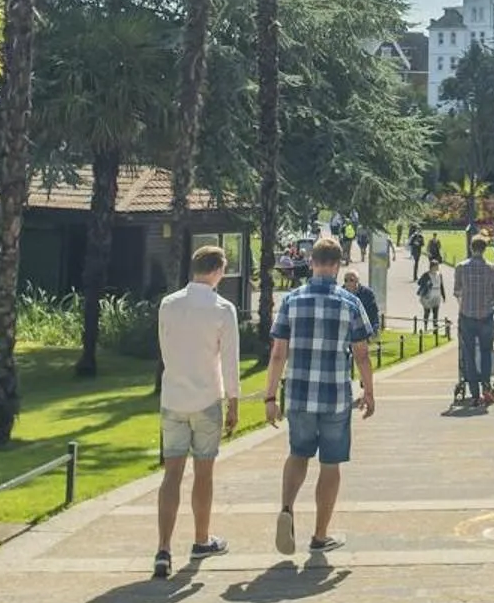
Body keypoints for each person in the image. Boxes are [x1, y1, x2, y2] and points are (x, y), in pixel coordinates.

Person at [265, 237, 376, 557]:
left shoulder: (291, 300)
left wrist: (270, 397)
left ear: (311, 263)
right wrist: (368, 391)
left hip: (298, 394)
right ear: (338, 265)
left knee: (298, 453)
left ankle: (287, 507)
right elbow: (362, 354)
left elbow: (277, 354)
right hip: (335, 396)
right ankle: (320, 534)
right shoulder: (350, 303)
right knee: (331, 464)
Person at [152, 245, 242, 580]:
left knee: (171, 474)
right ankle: (201, 539)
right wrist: (234, 401)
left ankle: (163, 548)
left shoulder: (169, 304)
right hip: (205, 397)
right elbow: (230, 359)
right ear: (218, 270)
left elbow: (164, 347)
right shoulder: (222, 309)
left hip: (173, 396)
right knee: (203, 473)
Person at [454, 236, 494, 406]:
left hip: (467, 315)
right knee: (486, 352)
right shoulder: (492, 269)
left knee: (468, 353)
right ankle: (486, 385)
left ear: (471, 247)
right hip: (486, 315)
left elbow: (457, 291)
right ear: (484, 249)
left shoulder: (461, 267)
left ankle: (474, 392)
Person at [341, 269, 381, 335]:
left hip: (363, 329)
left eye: (351, 280)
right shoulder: (340, 293)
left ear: (357, 281)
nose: (348, 283)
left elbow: (373, 312)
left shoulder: (367, 293)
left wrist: (374, 328)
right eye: (346, 280)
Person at [416, 260, 445, 330]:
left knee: (436, 312)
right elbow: (419, 282)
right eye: (436, 266)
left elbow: (441, 285)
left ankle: (435, 327)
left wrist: (443, 296)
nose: (438, 267)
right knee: (427, 311)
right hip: (428, 295)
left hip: (437, 294)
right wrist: (427, 283)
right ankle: (425, 326)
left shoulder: (439, 275)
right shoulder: (426, 275)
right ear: (432, 267)